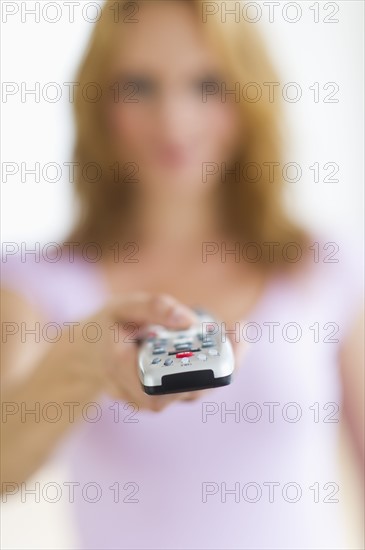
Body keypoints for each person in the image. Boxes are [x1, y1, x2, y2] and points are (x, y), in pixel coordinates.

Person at [1, 1, 363, 549]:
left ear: (249, 93)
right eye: (140, 85)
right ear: (99, 100)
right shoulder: (37, 281)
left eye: (208, 84)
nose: (174, 120)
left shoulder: (324, 265)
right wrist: (86, 359)